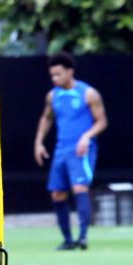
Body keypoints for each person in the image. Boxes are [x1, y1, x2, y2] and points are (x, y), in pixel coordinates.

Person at [34, 51, 107, 250]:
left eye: (58, 74)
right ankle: (67, 240)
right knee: (57, 194)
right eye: (52, 75)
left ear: (70, 72)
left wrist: (86, 136)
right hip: (61, 151)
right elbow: (47, 118)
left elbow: (102, 122)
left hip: (81, 150)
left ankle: (82, 238)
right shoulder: (53, 95)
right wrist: (39, 142)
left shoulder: (88, 93)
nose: (54, 78)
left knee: (79, 189)